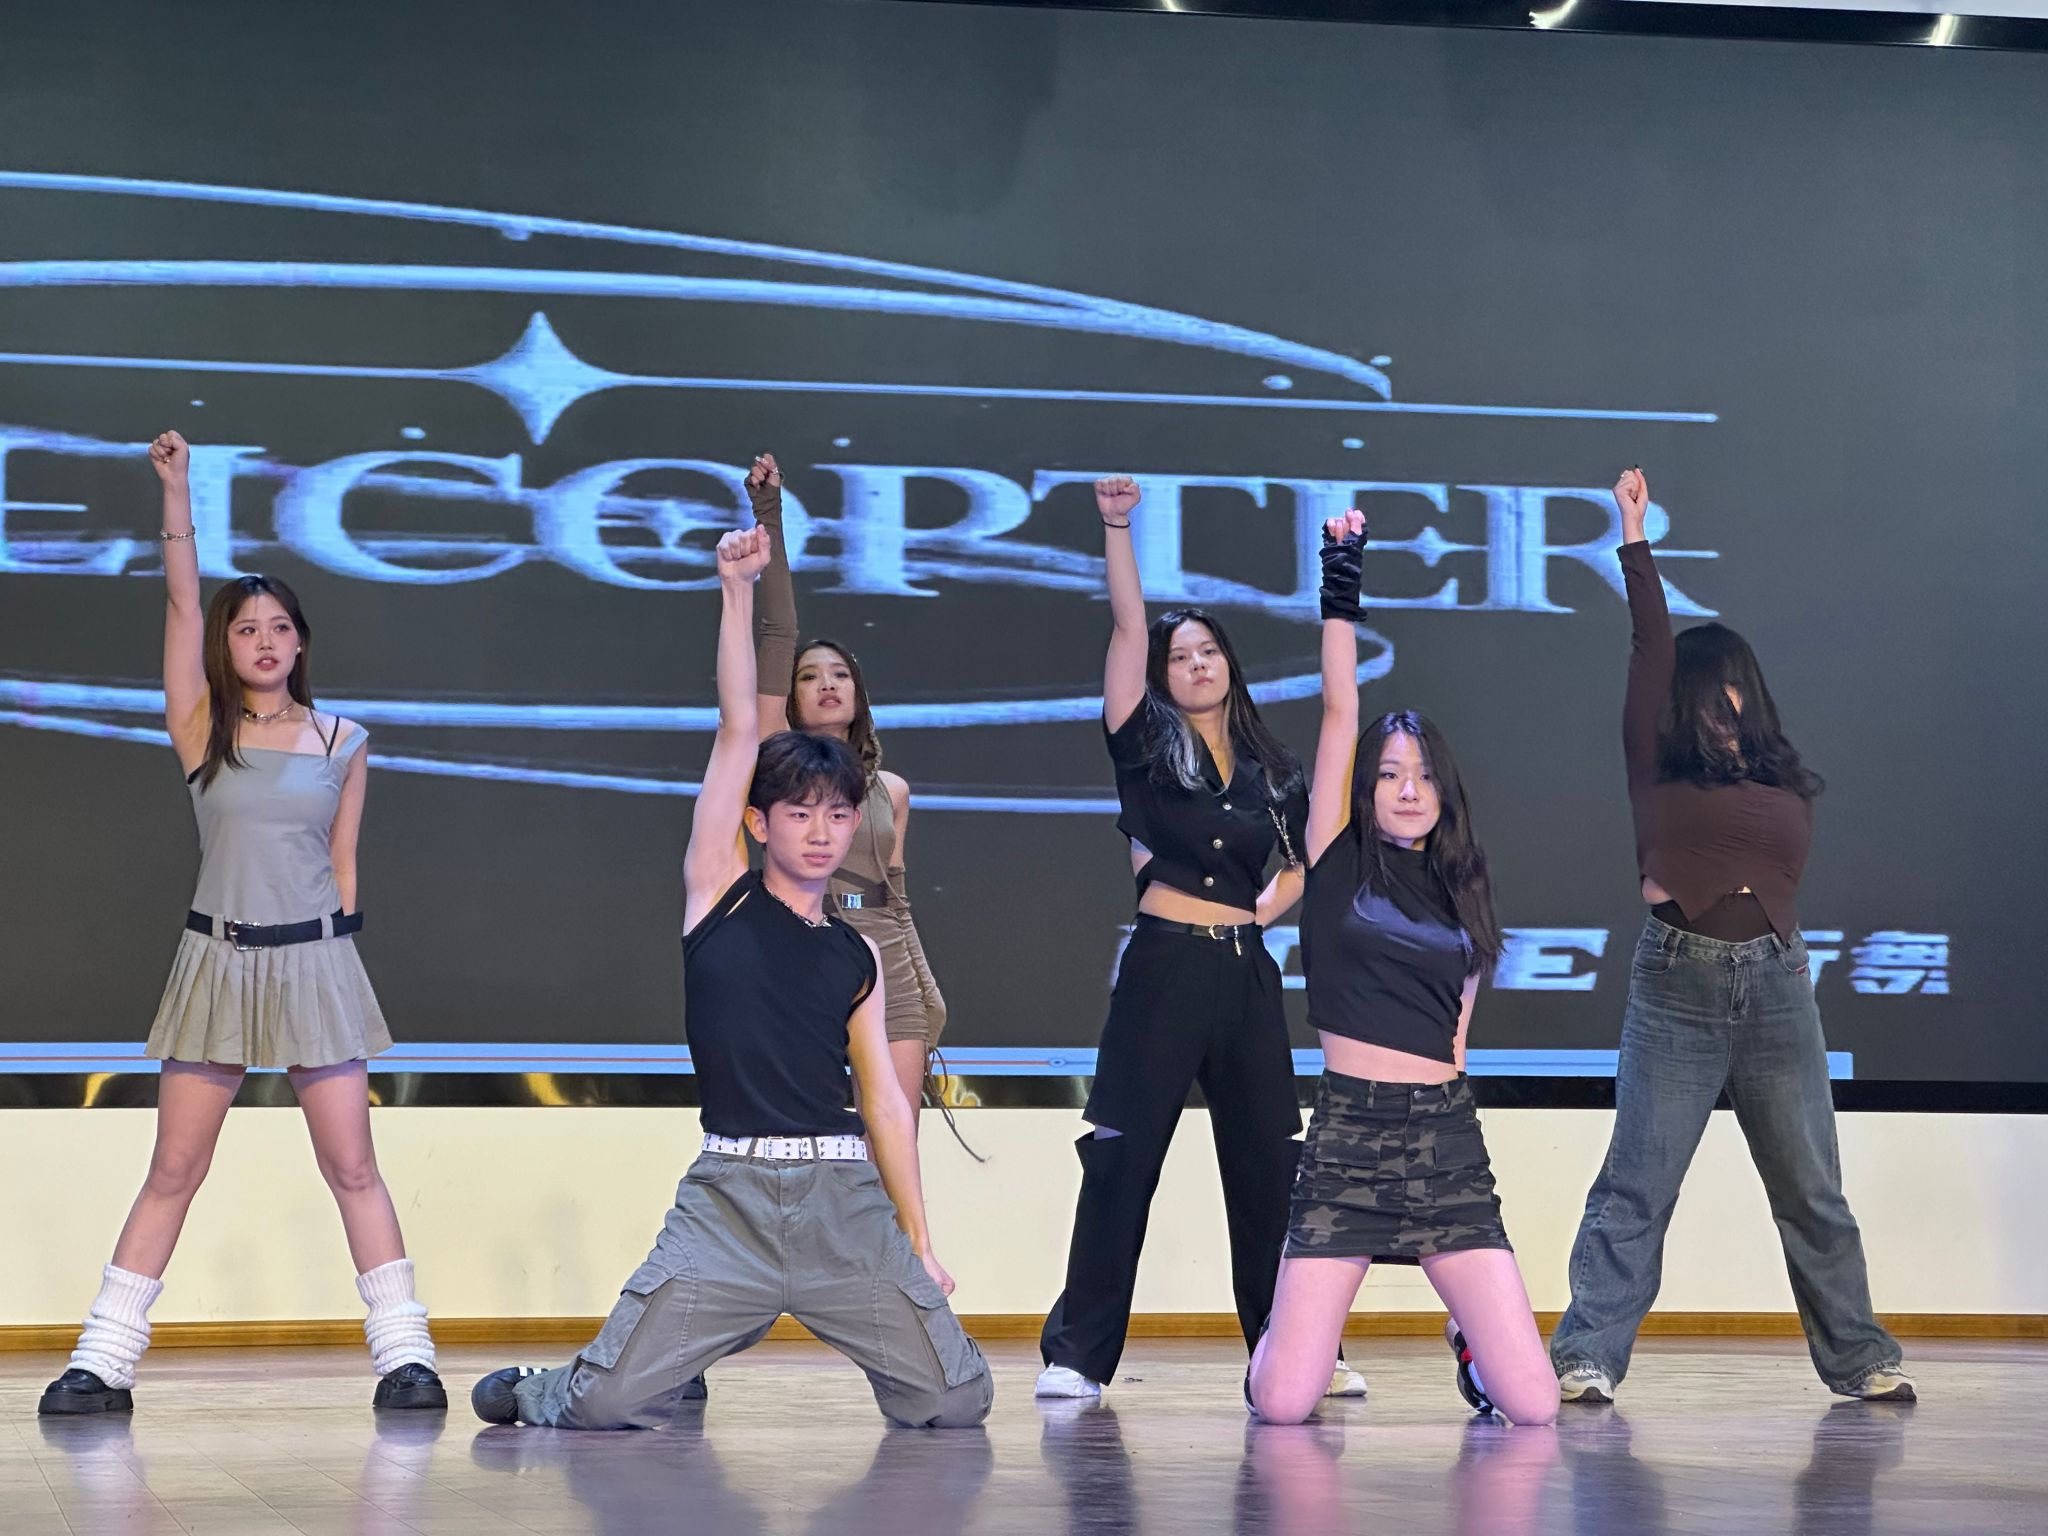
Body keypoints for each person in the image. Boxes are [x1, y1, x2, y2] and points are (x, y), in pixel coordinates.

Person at [471, 523, 993, 1430]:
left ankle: (765, 1333)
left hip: (842, 1207)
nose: (822, 832)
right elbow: (738, 726)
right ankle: (544, 1386)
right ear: (760, 823)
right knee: (603, 1405)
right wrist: (736, 590)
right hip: (731, 1202)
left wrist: (918, 1240)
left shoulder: (858, 954)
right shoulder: (720, 896)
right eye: (800, 814)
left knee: (956, 1403)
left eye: (837, 815)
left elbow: (884, 1102)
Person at [39, 430, 443, 1416]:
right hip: (215, 958)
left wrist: (335, 960)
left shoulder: (344, 739)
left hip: (315, 963)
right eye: (245, 628)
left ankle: (405, 1356)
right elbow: (183, 602)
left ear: (300, 642)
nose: (262, 640)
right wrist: (176, 490)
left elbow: (343, 865)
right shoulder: (202, 729)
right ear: (226, 646)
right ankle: (103, 1360)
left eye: (278, 627)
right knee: (174, 1167)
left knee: (353, 1166)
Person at [1548, 467, 1913, 1404]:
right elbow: (1649, 644)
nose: (1724, 707)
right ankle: (1586, 1356)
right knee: (1638, 1183)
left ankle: (1860, 1358)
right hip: (1679, 982)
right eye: (1707, 693)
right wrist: (1634, 535)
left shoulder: (1781, 781)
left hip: (1778, 984)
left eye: (1736, 691)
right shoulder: (1655, 767)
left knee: (1812, 1188)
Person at [1038, 475, 1365, 1402]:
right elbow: (1125, 629)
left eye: (1208, 650)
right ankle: (1078, 1354)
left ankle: (1293, 1350)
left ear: (1230, 664)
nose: (1195, 664)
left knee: (1269, 1166)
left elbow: (1305, 858)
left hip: (1245, 977)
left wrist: (1266, 910)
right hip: (1163, 971)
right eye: (1179, 656)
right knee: (1121, 1158)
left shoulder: (1272, 768)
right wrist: (1117, 528)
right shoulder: (1143, 745)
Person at [1245, 511, 1557, 1427]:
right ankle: (1277, 1340)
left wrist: (1447, 1107)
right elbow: (1340, 708)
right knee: (1285, 1405)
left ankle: (1470, 1342)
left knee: (1535, 1407)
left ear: (1443, 788)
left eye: (1422, 774)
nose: (1408, 788)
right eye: (1389, 774)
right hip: (1348, 1133)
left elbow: (1457, 1032)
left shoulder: (1464, 884)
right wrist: (1341, 576)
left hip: (1445, 1141)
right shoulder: (1337, 857)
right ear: (1366, 788)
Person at [745, 452, 952, 1128]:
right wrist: (769, 513)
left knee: (893, 1147)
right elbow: (777, 631)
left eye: (840, 674)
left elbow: (898, 901)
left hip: (886, 961)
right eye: (810, 676)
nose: (827, 683)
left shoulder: (891, 789)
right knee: (811, 1136)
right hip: (803, 949)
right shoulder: (777, 758)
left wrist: (925, 989)